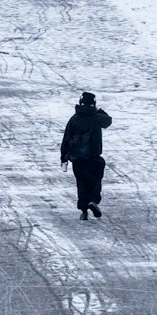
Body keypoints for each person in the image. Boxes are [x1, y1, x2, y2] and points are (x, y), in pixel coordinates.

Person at [60, 91, 113, 220]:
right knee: (95, 180)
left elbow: (66, 138)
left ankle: (84, 210)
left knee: (82, 183)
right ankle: (93, 201)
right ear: (93, 104)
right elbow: (108, 121)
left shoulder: (74, 119)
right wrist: (99, 110)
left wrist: (63, 156)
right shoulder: (96, 117)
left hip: (78, 159)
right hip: (94, 158)